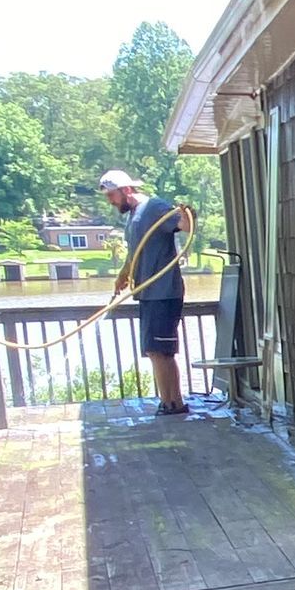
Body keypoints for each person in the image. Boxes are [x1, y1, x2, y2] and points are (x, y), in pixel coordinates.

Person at [100, 170, 189, 412]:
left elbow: (183, 225)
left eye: (112, 195)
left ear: (126, 190)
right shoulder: (133, 217)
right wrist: (123, 274)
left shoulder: (154, 207)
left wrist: (186, 214)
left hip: (163, 291)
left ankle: (172, 403)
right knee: (156, 350)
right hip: (148, 293)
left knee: (160, 350)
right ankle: (171, 402)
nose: (110, 201)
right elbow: (135, 253)